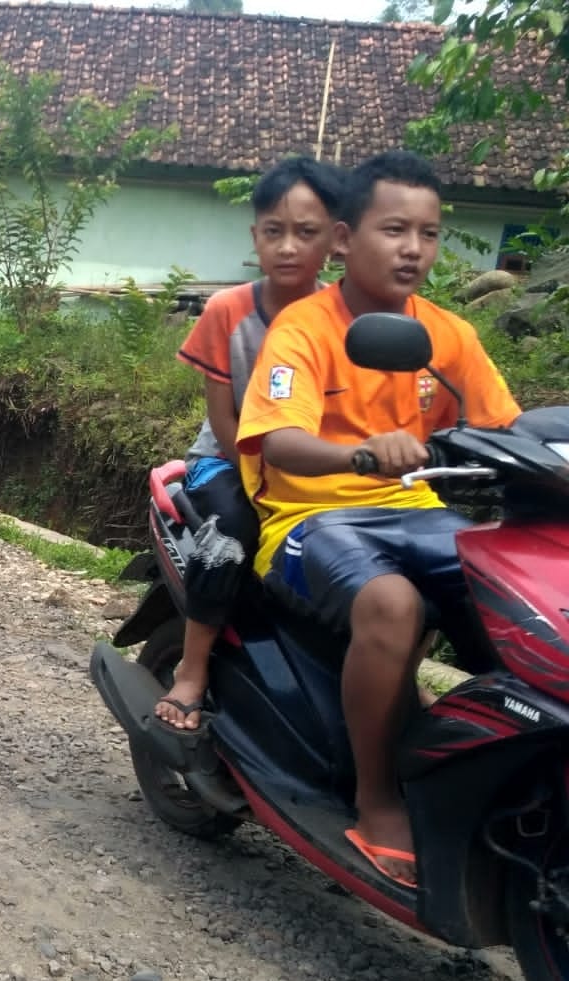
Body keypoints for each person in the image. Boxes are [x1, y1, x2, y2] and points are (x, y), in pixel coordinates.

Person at [236, 151, 521, 888]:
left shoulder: (449, 336)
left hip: (418, 511)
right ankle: (377, 798)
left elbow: (505, 427)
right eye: (394, 230)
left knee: (520, 590)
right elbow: (280, 442)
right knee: (393, 603)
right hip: (310, 517)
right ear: (344, 238)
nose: (413, 249)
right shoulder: (303, 329)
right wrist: (362, 455)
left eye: (428, 234)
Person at [155, 157, 344, 732]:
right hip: (225, 461)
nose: (288, 247)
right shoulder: (228, 310)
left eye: (306, 232)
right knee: (232, 537)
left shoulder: (345, 318)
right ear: (255, 236)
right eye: (274, 231)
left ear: (335, 239)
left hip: (311, 468)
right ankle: (191, 669)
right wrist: (275, 480)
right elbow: (225, 420)